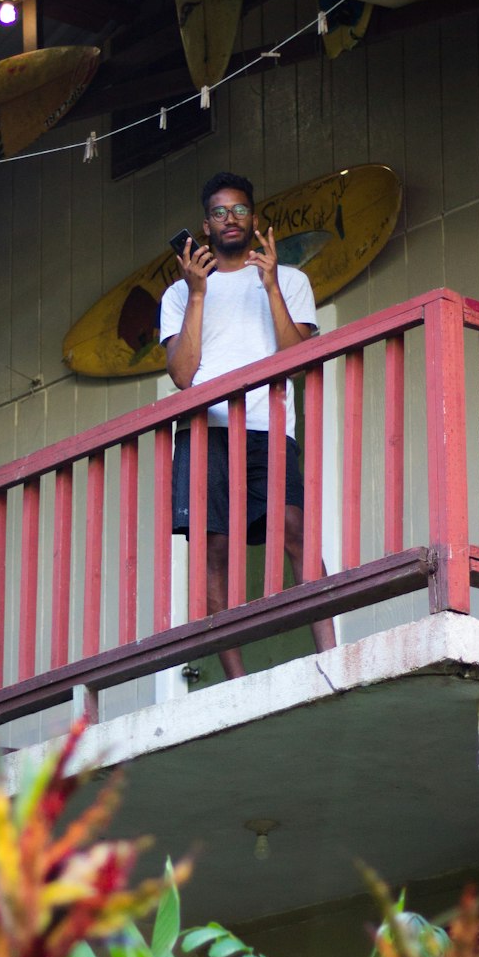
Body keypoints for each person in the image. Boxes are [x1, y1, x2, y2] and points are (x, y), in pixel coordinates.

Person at [160, 171, 336, 680]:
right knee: (212, 547)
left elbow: (299, 357)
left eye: (239, 210)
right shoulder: (178, 295)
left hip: (268, 425)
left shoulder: (291, 280)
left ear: (255, 219)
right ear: (205, 225)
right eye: (219, 212)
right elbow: (181, 374)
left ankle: (331, 652)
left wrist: (271, 283)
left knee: (296, 530)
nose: (230, 219)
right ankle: (235, 678)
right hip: (205, 429)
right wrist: (197, 293)